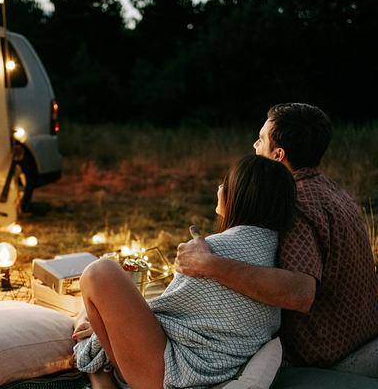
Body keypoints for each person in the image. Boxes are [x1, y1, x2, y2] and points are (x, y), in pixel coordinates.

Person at [176, 103, 378, 367]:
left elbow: (299, 293)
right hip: (358, 330)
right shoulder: (330, 190)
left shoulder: (295, 203)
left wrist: (209, 264)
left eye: (261, 140)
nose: (254, 145)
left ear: (277, 155)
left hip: (320, 346)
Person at [73, 155, 297, 388]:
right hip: (213, 369)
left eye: (226, 183)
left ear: (240, 196)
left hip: (172, 374)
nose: (219, 188)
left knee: (100, 272)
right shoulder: (275, 256)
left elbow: (163, 310)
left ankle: (102, 381)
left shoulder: (214, 250)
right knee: (89, 316)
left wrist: (109, 326)